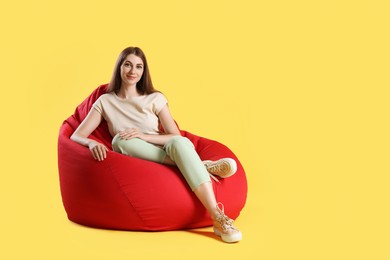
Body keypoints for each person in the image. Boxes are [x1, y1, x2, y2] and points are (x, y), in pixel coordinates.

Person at [70, 46, 242, 243]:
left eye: (138, 67)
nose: (133, 71)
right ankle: (202, 166)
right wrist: (91, 144)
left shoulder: (155, 98)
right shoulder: (106, 101)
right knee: (119, 140)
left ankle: (217, 216)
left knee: (178, 142)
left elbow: (175, 136)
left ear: (144, 72)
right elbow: (77, 135)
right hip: (134, 152)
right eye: (127, 65)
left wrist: (144, 136)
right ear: (119, 67)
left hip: (161, 147)